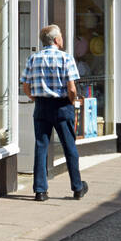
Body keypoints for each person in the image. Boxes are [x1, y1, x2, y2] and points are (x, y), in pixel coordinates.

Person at [21, 24, 89, 202]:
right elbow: (72, 88)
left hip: (42, 105)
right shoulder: (66, 58)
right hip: (61, 105)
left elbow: (25, 86)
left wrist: (35, 98)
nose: (63, 39)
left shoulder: (33, 58)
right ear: (57, 40)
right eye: (61, 36)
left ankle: (40, 191)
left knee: (41, 147)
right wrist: (71, 100)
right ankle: (77, 187)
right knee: (69, 147)